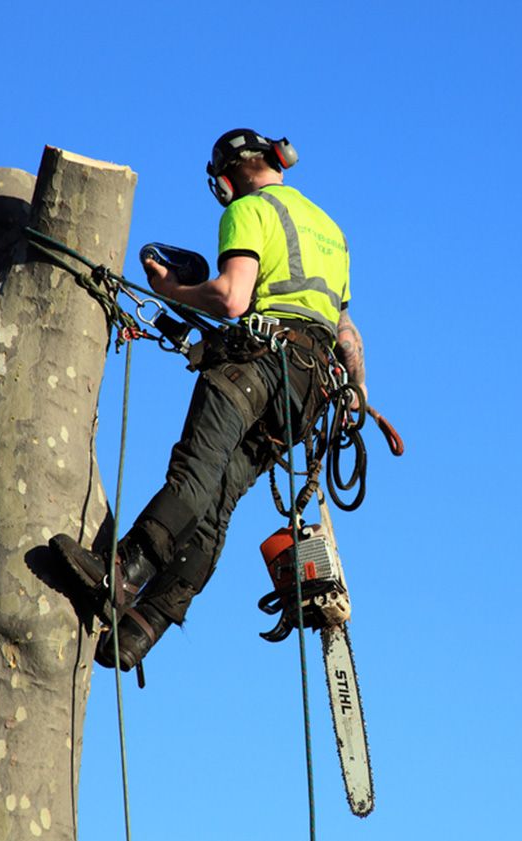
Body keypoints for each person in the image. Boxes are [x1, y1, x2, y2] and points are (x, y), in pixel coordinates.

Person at [51, 128, 367, 670]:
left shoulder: (250, 210)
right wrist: (356, 396)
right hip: (308, 394)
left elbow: (231, 297)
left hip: (257, 366)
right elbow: (347, 335)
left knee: (196, 474)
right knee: (217, 504)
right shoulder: (331, 231)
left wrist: (172, 290)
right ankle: (145, 625)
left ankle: (120, 573)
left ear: (233, 170)